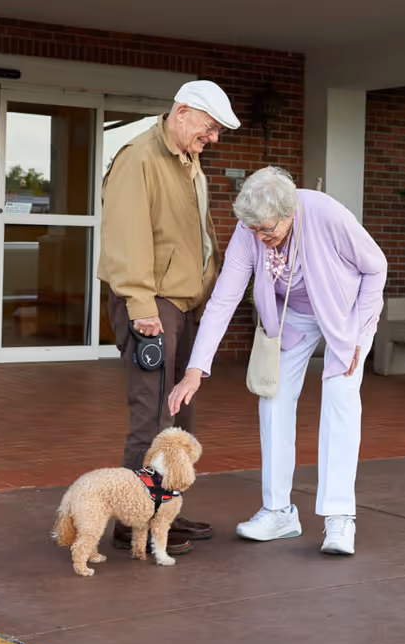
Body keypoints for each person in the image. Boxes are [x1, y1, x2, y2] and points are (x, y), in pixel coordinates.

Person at [169, 167, 387, 556]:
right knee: (273, 397)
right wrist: (194, 370)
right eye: (253, 230)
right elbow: (223, 300)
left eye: (267, 231)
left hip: (346, 312)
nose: (260, 238)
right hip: (292, 317)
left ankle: (339, 518)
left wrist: (360, 331)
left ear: (290, 213)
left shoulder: (325, 213)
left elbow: (376, 266)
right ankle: (278, 511)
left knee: (339, 395)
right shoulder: (250, 229)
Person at [98, 79, 241, 556]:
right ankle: (129, 521)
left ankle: (161, 514)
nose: (213, 138)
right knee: (152, 415)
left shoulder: (187, 160)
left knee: (178, 415)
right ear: (182, 112)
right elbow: (126, 237)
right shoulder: (138, 158)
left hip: (182, 303)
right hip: (153, 304)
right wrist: (140, 307)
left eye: (218, 131)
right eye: (209, 127)